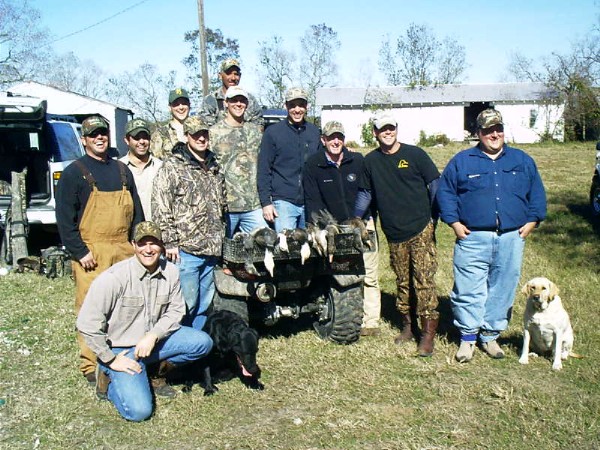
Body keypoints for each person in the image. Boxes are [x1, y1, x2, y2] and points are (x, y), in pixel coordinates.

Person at [436, 109, 547, 363]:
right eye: (488, 130)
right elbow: (445, 193)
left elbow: (537, 193)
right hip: (473, 237)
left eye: (498, 129)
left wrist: (532, 221)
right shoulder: (462, 161)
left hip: (511, 237)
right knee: (468, 288)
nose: (494, 134)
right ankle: (467, 338)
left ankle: (490, 336)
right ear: (478, 133)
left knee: (503, 288)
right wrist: (454, 223)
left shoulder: (522, 160)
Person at [76, 221, 213, 422]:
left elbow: (176, 310)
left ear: (162, 246)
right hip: (121, 351)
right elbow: (86, 323)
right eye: (142, 243)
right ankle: (107, 375)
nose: (148, 250)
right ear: (133, 245)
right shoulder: (114, 278)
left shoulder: (171, 272)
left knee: (202, 343)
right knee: (139, 412)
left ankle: (153, 372)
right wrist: (111, 359)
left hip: (153, 343)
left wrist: (153, 335)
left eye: (153, 243)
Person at [56, 115, 144, 385]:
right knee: (91, 309)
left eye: (103, 132)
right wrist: (80, 251)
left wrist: (138, 245)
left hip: (123, 248)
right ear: (84, 140)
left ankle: (125, 354)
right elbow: (64, 219)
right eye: (93, 134)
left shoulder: (123, 170)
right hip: (92, 252)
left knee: (127, 305)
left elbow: (137, 215)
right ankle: (90, 363)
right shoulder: (74, 172)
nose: (99, 138)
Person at [355, 112, 440, 356]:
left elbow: (435, 185)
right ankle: (408, 326)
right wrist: (355, 217)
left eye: (391, 128)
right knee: (402, 280)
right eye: (383, 129)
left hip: (420, 228)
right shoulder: (370, 161)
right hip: (394, 232)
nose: (387, 132)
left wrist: (434, 217)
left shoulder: (415, 154)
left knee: (423, 280)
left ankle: (427, 335)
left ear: (396, 129)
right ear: (375, 133)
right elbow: (365, 193)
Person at [303, 121, 382, 336]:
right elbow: (313, 201)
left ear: (344, 139)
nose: (336, 141)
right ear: (323, 140)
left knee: (369, 272)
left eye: (339, 137)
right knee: (341, 271)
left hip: (362, 222)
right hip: (333, 227)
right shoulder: (313, 164)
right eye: (331, 138)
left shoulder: (358, 160)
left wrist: (362, 219)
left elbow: (368, 191)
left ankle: (371, 321)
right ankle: (344, 311)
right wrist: (326, 225)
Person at [152, 116, 226, 331]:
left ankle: (198, 344)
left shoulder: (214, 165)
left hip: (211, 249)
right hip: (185, 251)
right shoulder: (173, 166)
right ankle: (178, 344)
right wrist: (169, 242)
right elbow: (160, 205)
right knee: (184, 305)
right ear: (186, 136)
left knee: (203, 305)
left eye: (204, 134)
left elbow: (222, 203)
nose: (201, 139)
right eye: (196, 135)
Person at [257, 87, 321, 232]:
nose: (297, 110)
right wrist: (266, 202)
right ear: (286, 106)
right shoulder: (273, 133)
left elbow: (323, 161)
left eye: (301, 105)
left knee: (310, 244)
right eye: (292, 105)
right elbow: (264, 169)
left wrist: (345, 151)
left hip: (309, 201)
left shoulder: (314, 132)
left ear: (307, 107)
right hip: (283, 202)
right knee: (286, 244)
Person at [210, 86, 268, 237]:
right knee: (222, 247)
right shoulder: (213, 133)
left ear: (247, 104)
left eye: (242, 101)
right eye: (234, 100)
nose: (238, 104)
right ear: (226, 103)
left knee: (264, 243)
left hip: (253, 206)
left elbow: (265, 165)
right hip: (226, 207)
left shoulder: (256, 132)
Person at [120, 118, 163, 220]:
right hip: (130, 227)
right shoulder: (118, 168)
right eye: (136, 138)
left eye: (145, 137)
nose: (142, 142)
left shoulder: (161, 167)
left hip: (157, 226)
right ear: (126, 140)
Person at [201, 58, 263, 127]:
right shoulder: (210, 100)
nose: (233, 78)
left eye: (236, 74)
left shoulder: (250, 100)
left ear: (240, 76)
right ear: (220, 76)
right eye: (228, 73)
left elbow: (259, 125)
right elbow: (205, 128)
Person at [150, 88, 191, 159]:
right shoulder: (161, 134)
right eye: (176, 104)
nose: (181, 107)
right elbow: (154, 160)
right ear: (170, 107)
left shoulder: (201, 130)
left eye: (184, 103)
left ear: (189, 105)